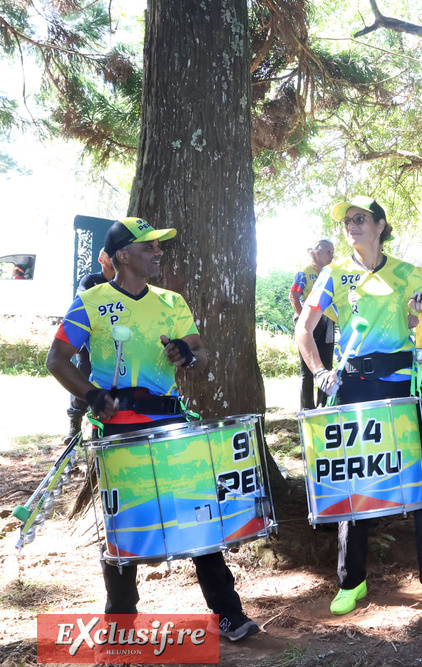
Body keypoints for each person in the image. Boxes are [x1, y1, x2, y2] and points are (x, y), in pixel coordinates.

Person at [45, 217, 260, 641]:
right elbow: (57, 358)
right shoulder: (90, 301)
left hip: (170, 424)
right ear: (123, 255)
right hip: (118, 430)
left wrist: (186, 353)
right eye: (149, 247)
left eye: (160, 247)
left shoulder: (171, 302)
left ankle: (229, 614)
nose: (158, 252)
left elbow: (202, 356)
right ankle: (121, 621)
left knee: (199, 516)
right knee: (122, 524)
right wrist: (91, 396)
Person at [296, 195, 422, 616]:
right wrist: (319, 371)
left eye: (360, 219)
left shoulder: (408, 272)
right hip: (352, 388)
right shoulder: (333, 274)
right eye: (346, 222)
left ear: (379, 225)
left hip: (402, 389)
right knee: (353, 484)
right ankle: (351, 582)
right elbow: (305, 328)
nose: (352, 226)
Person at [64, 249, 115, 443]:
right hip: (89, 337)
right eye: (108, 256)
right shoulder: (90, 280)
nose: (112, 260)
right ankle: (74, 424)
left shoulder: (124, 280)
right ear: (101, 260)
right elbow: (85, 303)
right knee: (84, 375)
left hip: (113, 338)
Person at [290, 239, 335, 410]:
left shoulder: (331, 273)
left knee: (327, 366)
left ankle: (324, 406)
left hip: (327, 324)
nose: (332, 256)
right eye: (328, 252)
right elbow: (293, 297)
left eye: (333, 252)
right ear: (318, 254)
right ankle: (307, 409)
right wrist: (305, 321)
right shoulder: (304, 272)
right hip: (308, 324)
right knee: (308, 371)